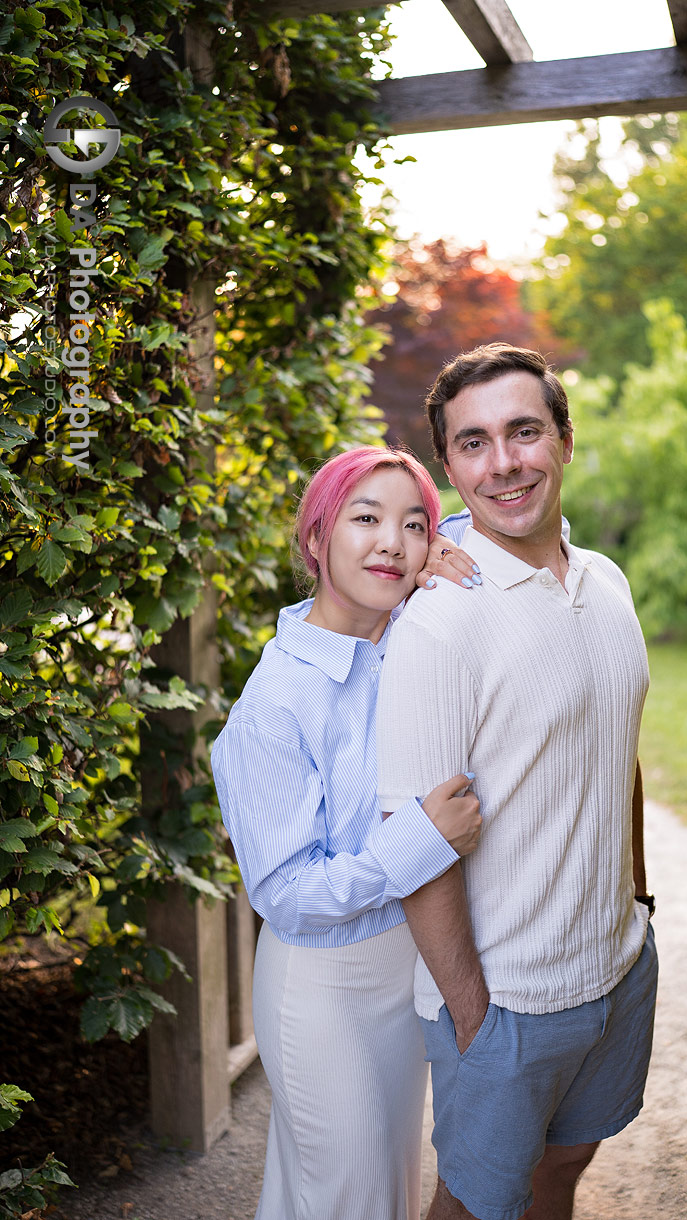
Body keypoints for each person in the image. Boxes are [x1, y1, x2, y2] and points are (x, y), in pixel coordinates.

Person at [376, 343, 658, 1220]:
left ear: (563, 440)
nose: (503, 463)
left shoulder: (607, 584)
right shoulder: (440, 625)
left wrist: (640, 903)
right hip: (507, 1000)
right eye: (472, 443)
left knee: (562, 1173)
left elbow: (621, 748)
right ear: (449, 467)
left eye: (524, 431)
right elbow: (412, 840)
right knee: (471, 1206)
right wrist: (470, 1012)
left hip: (616, 969)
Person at [210, 445, 483, 1220]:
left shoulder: (408, 638)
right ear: (316, 539)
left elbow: (494, 528)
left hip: (409, 968)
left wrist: (448, 544)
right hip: (325, 986)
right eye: (364, 519)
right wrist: (422, 841)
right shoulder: (275, 705)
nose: (391, 543)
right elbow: (288, 895)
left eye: (413, 525)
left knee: (370, 1190)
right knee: (348, 1198)